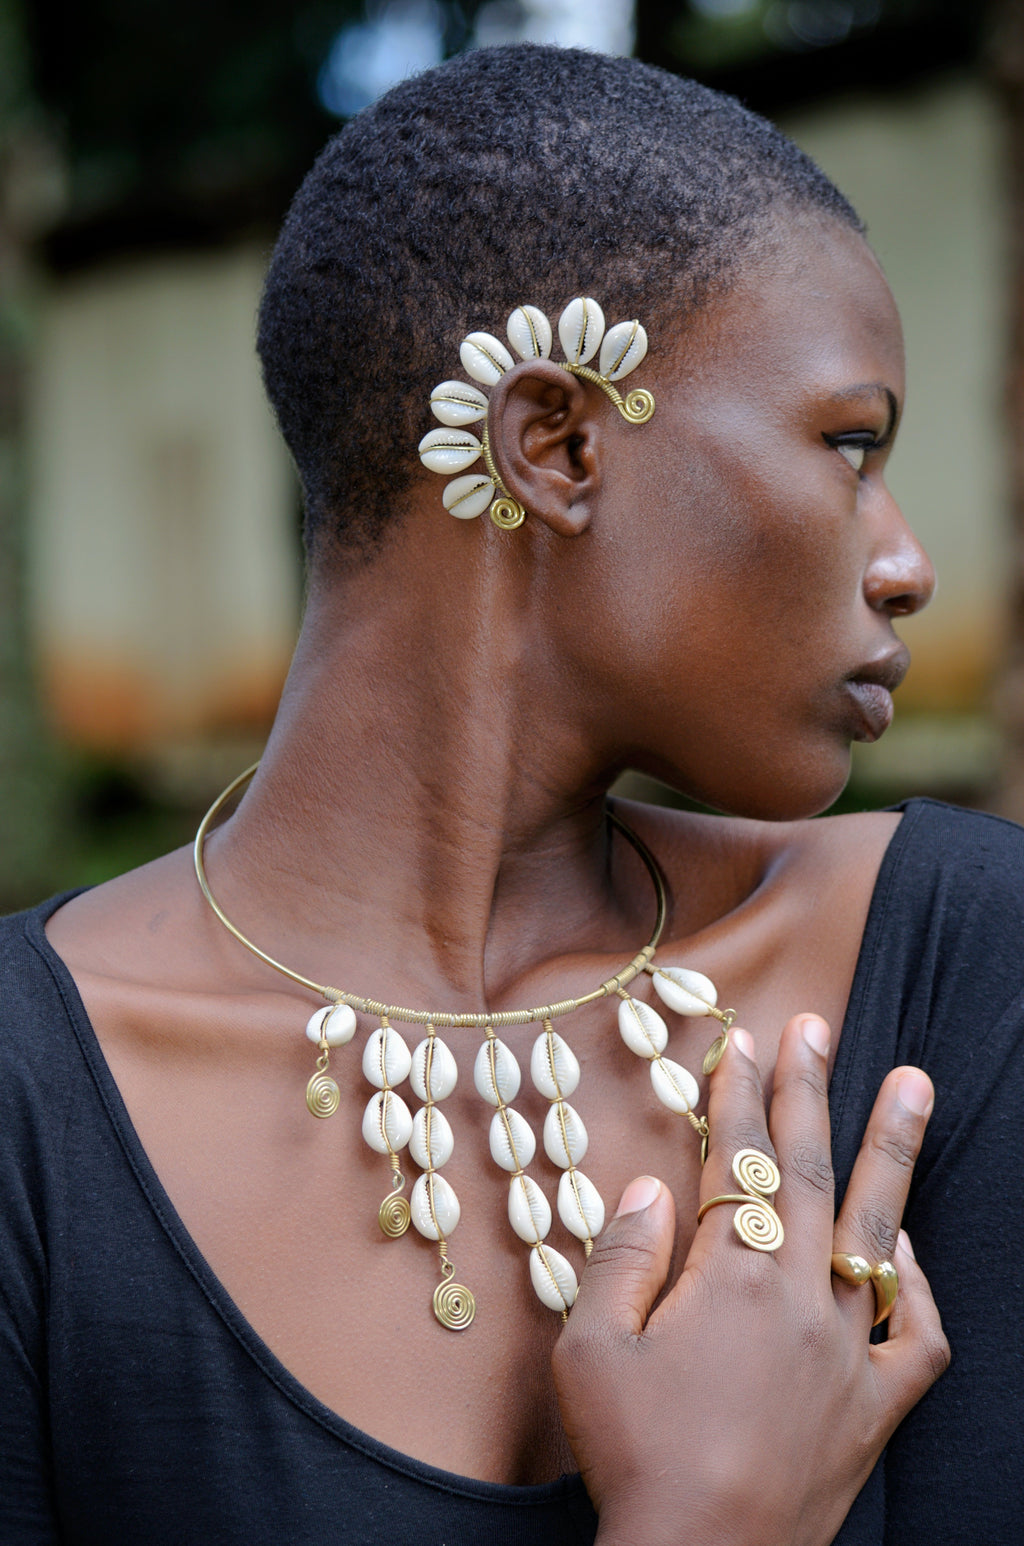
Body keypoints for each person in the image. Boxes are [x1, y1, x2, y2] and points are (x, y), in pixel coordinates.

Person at [2, 42, 1021, 1545]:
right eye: (849, 446)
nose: (906, 561)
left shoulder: (964, 971)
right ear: (555, 442)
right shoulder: (31, 1106)